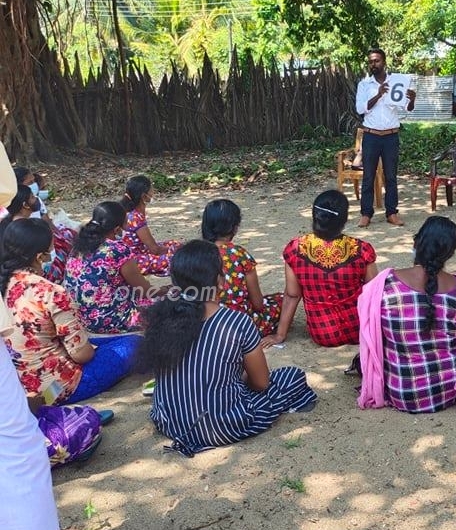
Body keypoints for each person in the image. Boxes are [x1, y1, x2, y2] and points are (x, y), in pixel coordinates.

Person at [0, 142, 139, 530]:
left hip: (25, 371)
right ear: (42, 254)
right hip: (59, 380)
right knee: (126, 345)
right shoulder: (49, 291)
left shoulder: (9, 288)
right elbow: (79, 352)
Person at [141, 240, 317, 455]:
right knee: (292, 376)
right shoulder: (236, 322)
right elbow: (261, 384)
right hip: (223, 427)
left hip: (169, 422)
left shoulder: (159, 317)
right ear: (219, 281)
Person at [357, 216, 456, 412]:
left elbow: (372, 336)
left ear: (416, 242)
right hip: (449, 390)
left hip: (402, 393)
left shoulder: (384, 285)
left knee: (364, 356)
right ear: (451, 254)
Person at [1, 219, 141, 404]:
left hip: (19, 383)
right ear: (39, 256)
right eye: (51, 249)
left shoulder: (7, 283)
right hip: (56, 388)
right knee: (135, 343)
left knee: (108, 342)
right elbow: (82, 355)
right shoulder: (50, 292)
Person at [261, 189, 378, 349]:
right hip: (359, 329)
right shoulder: (361, 249)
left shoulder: (296, 249)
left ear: (315, 217)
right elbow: (374, 293)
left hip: (323, 333)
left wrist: (280, 334)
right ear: (344, 220)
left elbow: (292, 295)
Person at [64, 201, 158, 333]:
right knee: (163, 306)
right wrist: (165, 291)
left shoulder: (78, 246)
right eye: (126, 223)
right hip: (108, 319)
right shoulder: (117, 250)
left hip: (79, 316)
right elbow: (144, 289)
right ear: (117, 229)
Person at [201, 198, 283, 336]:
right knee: (281, 300)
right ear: (235, 227)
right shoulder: (239, 254)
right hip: (239, 324)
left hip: (203, 322)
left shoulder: (196, 253)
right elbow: (258, 304)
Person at [355, 47, 416, 228]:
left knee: (391, 176)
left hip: (390, 136)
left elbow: (407, 108)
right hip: (371, 135)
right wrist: (379, 94)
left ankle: (391, 213)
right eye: (371, 61)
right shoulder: (364, 84)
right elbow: (360, 109)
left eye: (377, 61)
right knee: (368, 176)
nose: (373, 64)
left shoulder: (398, 82)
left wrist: (412, 99)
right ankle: (366, 214)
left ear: (384, 62)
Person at [121, 174, 181, 275]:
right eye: (151, 190)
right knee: (177, 257)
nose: (153, 192)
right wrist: (174, 251)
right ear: (144, 196)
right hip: (134, 261)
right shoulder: (136, 217)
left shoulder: (131, 212)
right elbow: (155, 249)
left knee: (175, 245)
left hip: (135, 253)